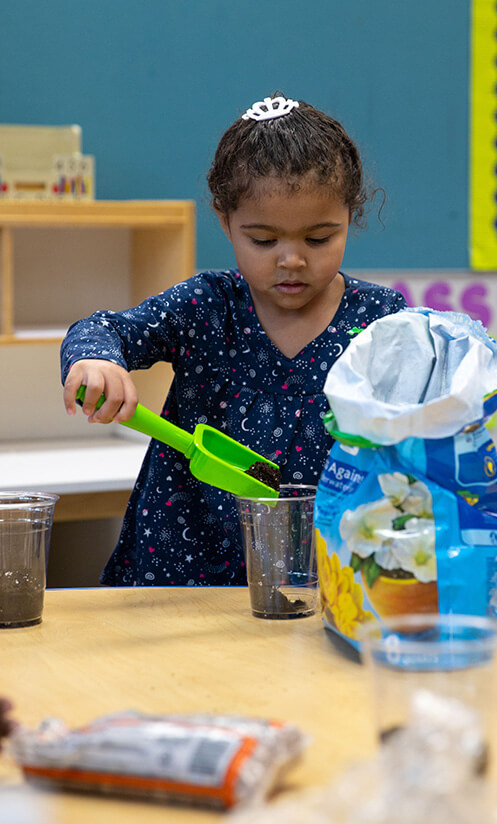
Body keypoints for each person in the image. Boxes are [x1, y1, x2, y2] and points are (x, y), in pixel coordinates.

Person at [61, 93, 406, 586]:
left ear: (350, 216)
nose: (291, 259)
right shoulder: (208, 306)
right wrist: (96, 361)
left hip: (318, 586)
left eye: (318, 238)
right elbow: (104, 329)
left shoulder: (382, 322)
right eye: (264, 240)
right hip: (176, 585)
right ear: (225, 222)